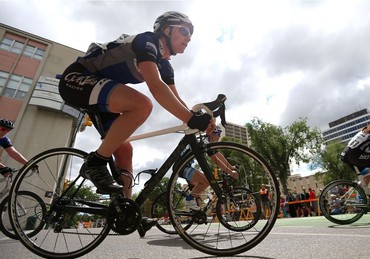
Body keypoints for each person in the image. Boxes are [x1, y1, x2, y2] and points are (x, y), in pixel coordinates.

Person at [58, 11, 212, 237]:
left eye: (191, 35)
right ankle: (95, 163)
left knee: (124, 149)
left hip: (100, 92)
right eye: (185, 31)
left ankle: (126, 211)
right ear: (166, 30)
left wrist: (197, 118)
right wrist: (190, 118)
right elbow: (155, 87)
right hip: (77, 79)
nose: (189, 38)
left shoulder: (165, 65)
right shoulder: (147, 41)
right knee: (142, 105)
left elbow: (176, 99)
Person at [177, 120, 239, 210]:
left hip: (185, 166)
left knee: (204, 183)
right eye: (218, 134)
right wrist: (230, 172)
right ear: (212, 134)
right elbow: (215, 160)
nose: (219, 136)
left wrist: (230, 167)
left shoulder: (206, 141)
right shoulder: (204, 141)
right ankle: (188, 200)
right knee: (206, 181)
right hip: (182, 167)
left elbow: (218, 155)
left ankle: (192, 203)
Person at [341, 124, 370, 195]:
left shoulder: (366, 131)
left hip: (346, 155)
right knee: (369, 175)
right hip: (354, 155)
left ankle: (361, 202)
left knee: (366, 173)